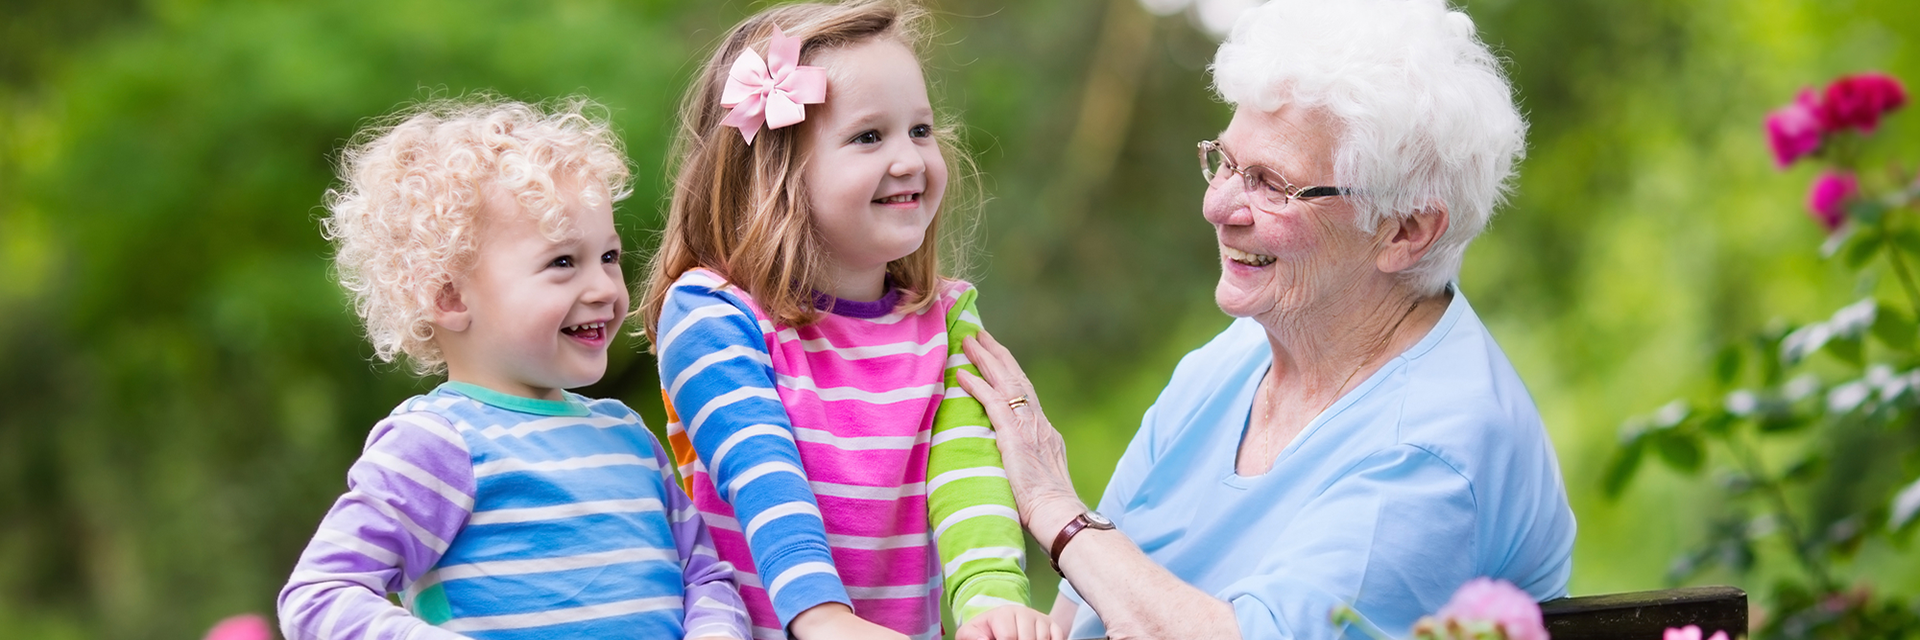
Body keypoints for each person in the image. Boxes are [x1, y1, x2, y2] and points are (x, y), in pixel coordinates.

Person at [952, 1, 1578, 639]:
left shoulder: (1437, 451)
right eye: (1224, 162)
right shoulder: (1231, 362)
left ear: (1405, 229)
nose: (1218, 205)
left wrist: (1056, 508)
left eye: (1272, 184)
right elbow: (1081, 616)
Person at [636, 2, 1054, 640]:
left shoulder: (945, 318)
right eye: (868, 136)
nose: (910, 159)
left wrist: (989, 600)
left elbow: (966, 469)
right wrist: (820, 615)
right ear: (775, 172)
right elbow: (761, 475)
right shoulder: (712, 314)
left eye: (920, 130)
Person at [277, 98, 748, 640]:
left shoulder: (627, 436)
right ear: (450, 297)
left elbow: (705, 575)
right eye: (563, 262)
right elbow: (319, 596)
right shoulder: (437, 443)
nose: (603, 288)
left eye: (609, 257)